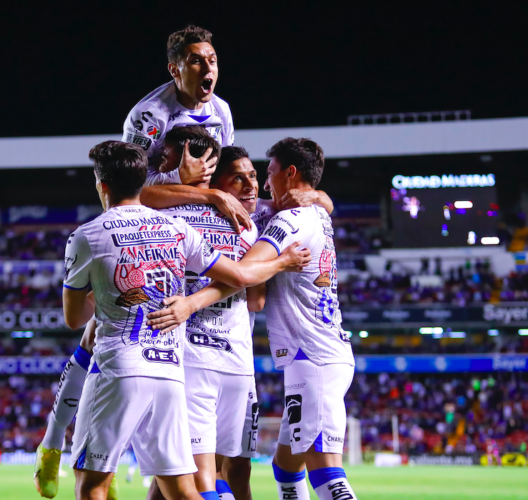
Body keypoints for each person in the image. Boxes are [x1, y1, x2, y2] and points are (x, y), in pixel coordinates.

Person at [63, 141, 310, 500]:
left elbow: (75, 319)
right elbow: (241, 278)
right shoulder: (178, 230)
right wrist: (282, 262)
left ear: (102, 186)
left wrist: (107, 290)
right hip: (169, 371)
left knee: (92, 485)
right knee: (183, 489)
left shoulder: (87, 235)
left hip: (121, 367)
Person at [146, 138, 358, 500]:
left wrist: (317, 196)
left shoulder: (264, 216)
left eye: (260, 174)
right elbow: (146, 197)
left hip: (275, 359)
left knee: (225, 470)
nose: (254, 184)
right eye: (238, 180)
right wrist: (213, 198)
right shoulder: (238, 214)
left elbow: (253, 291)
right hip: (211, 358)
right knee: (267, 469)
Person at [123, 25, 234, 187]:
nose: (207, 68)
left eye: (212, 61)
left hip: (207, 201)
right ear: (174, 70)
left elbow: (227, 168)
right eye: (196, 61)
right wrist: (179, 177)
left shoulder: (221, 110)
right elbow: (129, 181)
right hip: (159, 205)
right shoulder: (148, 115)